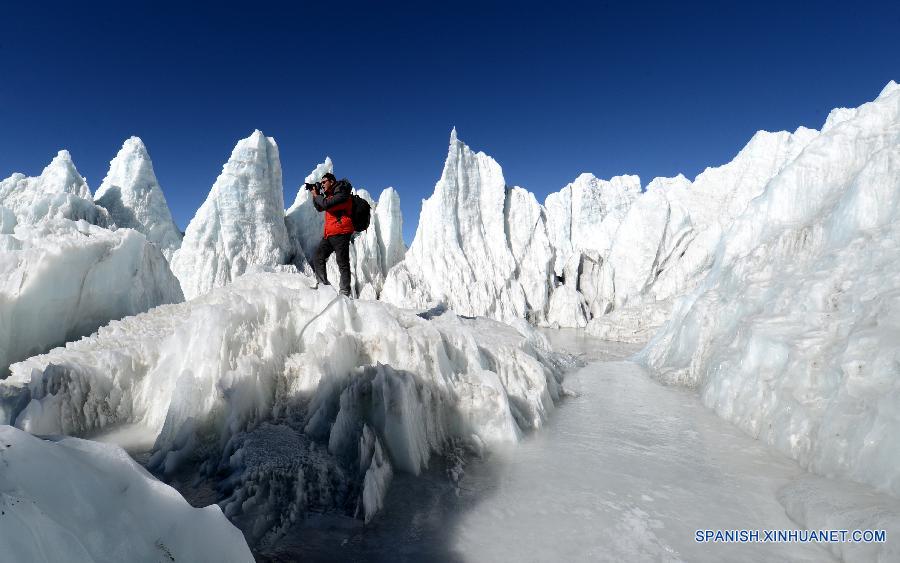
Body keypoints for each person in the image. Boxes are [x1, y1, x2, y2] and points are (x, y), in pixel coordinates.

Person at [308, 172, 354, 297]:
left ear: (332, 181)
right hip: (330, 234)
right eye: (321, 183)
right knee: (318, 256)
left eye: (324, 182)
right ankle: (323, 286)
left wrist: (318, 195)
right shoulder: (330, 195)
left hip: (341, 232)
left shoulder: (342, 193)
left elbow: (326, 204)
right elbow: (320, 207)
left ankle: (344, 292)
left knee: (342, 263)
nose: (322, 184)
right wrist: (315, 195)